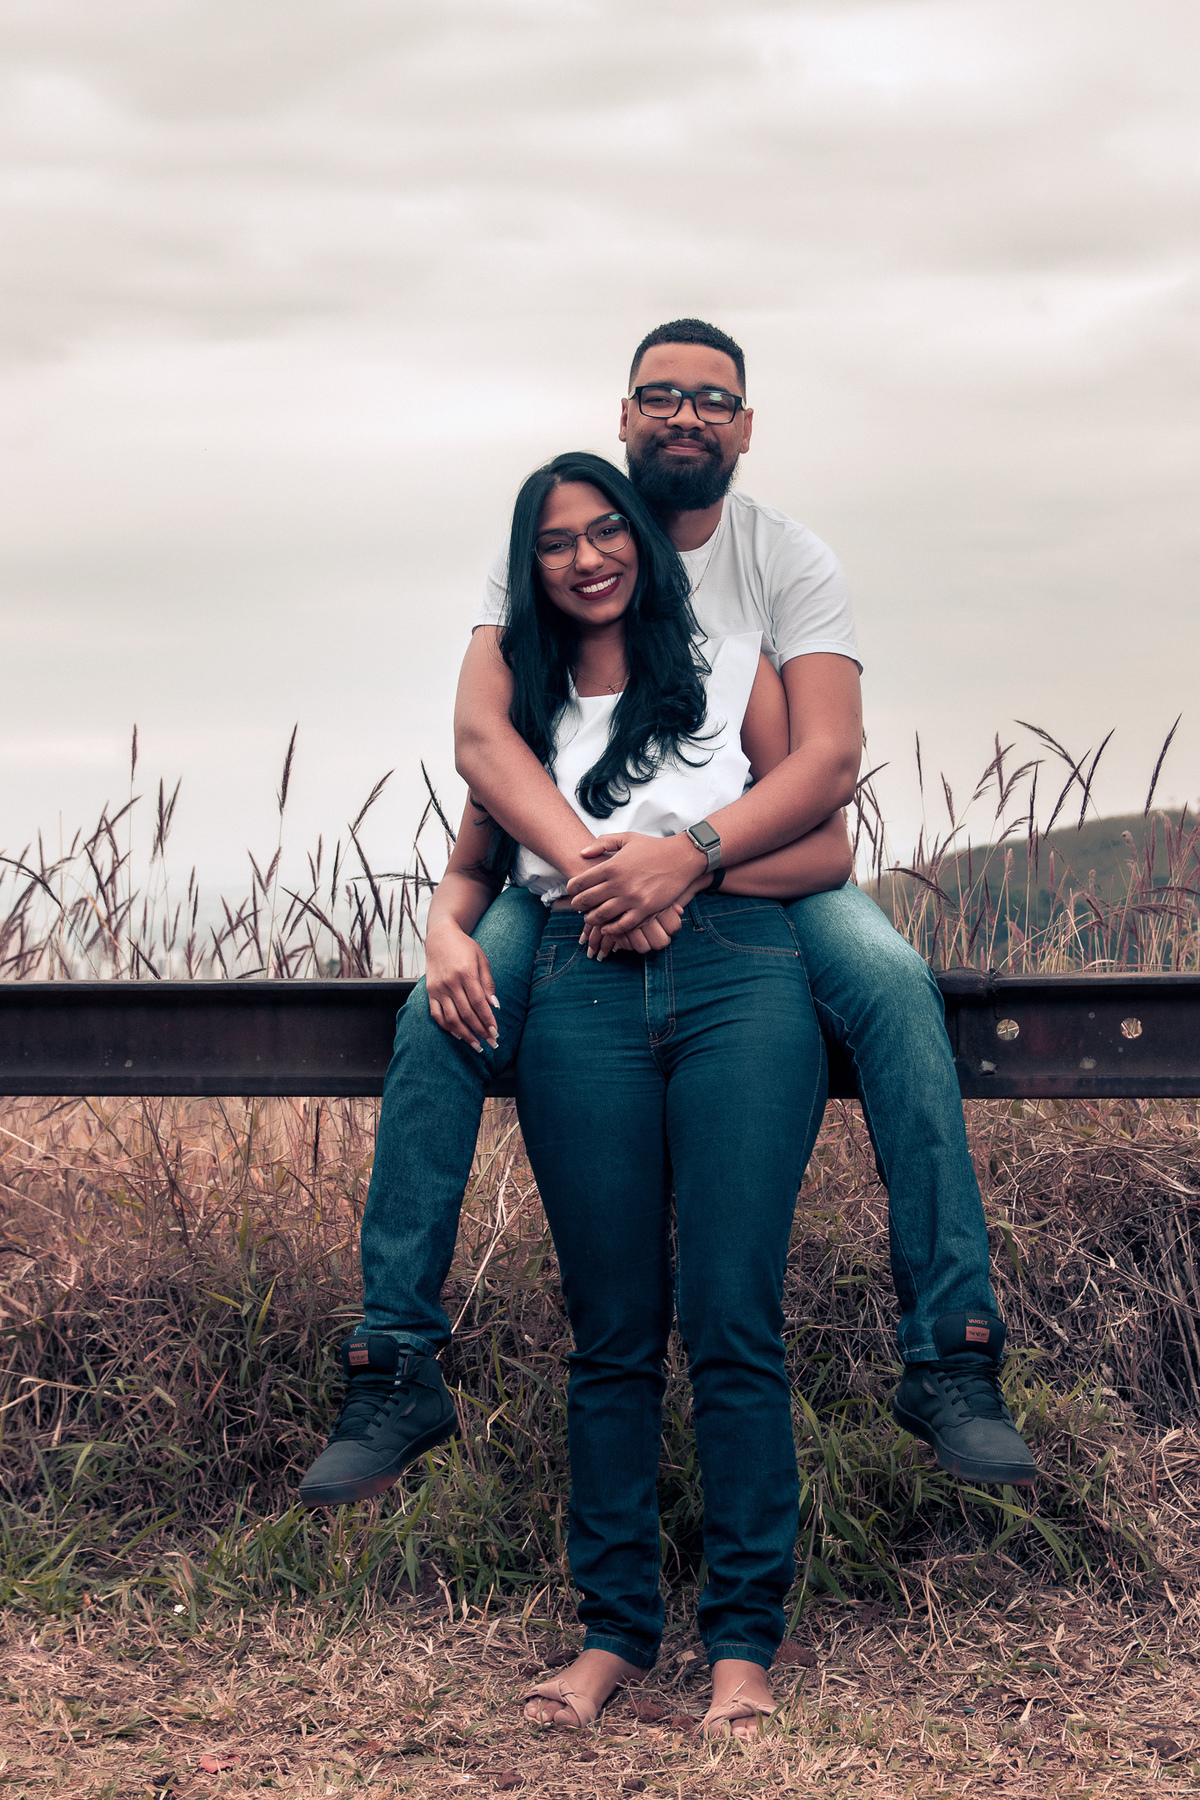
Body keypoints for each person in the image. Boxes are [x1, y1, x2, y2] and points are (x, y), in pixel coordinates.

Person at [298, 319, 1035, 1514]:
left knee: (897, 989)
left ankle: (951, 1351)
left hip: (746, 872)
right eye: (660, 396)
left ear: (745, 426)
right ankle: (393, 1366)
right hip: (568, 880)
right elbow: (490, 742)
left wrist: (682, 863)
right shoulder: (553, 539)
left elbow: (829, 761)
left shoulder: (783, 563)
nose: (685, 416)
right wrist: (591, 873)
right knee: (441, 1012)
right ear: (625, 417)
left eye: (712, 399)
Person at [432, 451, 847, 1733]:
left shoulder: (732, 663)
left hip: (741, 988)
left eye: (607, 530)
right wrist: (449, 930)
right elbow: (476, 860)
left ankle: (743, 1649)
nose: (588, 557)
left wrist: (684, 871)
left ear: (643, 542)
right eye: (556, 543)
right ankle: (612, 1636)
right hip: (579, 993)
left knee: (733, 1318)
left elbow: (828, 840)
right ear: (530, 568)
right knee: (609, 1333)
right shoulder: (527, 700)